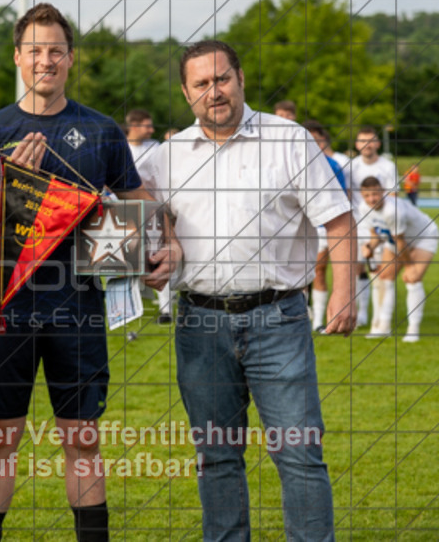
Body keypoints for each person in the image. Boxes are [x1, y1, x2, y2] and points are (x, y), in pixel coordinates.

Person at [0, 3, 178, 541]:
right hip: (5, 305)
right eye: (34, 50)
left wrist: (165, 243)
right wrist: (12, 183)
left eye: (55, 49)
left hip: (77, 306)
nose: (45, 60)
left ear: (71, 58)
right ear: (18, 57)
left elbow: (140, 201)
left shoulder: (101, 131)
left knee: (82, 438)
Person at [146, 39, 355, 540]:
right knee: (216, 457)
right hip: (200, 324)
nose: (213, 92)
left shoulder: (289, 139)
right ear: (185, 91)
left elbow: (341, 222)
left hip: (277, 318)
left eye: (221, 79)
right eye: (201, 84)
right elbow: (143, 219)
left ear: (240, 78)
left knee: (300, 453)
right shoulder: (165, 158)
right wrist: (163, 246)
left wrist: (346, 292)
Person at [357, 176, 439, 341]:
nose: (371, 199)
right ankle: (384, 326)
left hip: (424, 236)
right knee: (385, 276)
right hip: (397, 239)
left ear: (383, 192)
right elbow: (376, 235)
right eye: (367, 196)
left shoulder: (392, 211)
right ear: (362, 196)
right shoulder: (363, 208)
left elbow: (401, 242)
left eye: (375, 194)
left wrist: (409, 267)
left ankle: (413, 329)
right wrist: (369, 247)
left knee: (412, 278)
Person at [124, 108, 172, 325]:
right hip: (123, 211)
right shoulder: (121, 148)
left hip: (152, 209)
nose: (152, 130)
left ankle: (166, 309)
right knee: (127, 260)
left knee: (158, 255)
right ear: (134, 126)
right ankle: (130, 307)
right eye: (147, 125)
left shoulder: (155, 148)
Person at [301, 120, 349, 332]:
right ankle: (302, 317)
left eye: (316, 139)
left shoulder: (333, 165)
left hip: (322, 226)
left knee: (319, 270)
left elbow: (341, 201)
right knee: (301, 274)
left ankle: (319, 320)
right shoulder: (290, 164)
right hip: (298, 228)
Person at [351, 126, 398, 328]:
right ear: (357, 144)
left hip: (378, 226)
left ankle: (378, 319)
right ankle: (361, 313)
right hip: (356, 224)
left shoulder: (388, 166)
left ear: (377, 144)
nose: (367, 145)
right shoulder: (351, 167)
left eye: (370, 141)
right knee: (356, 269)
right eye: (362, 141)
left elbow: (393, 197)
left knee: (378, 272)